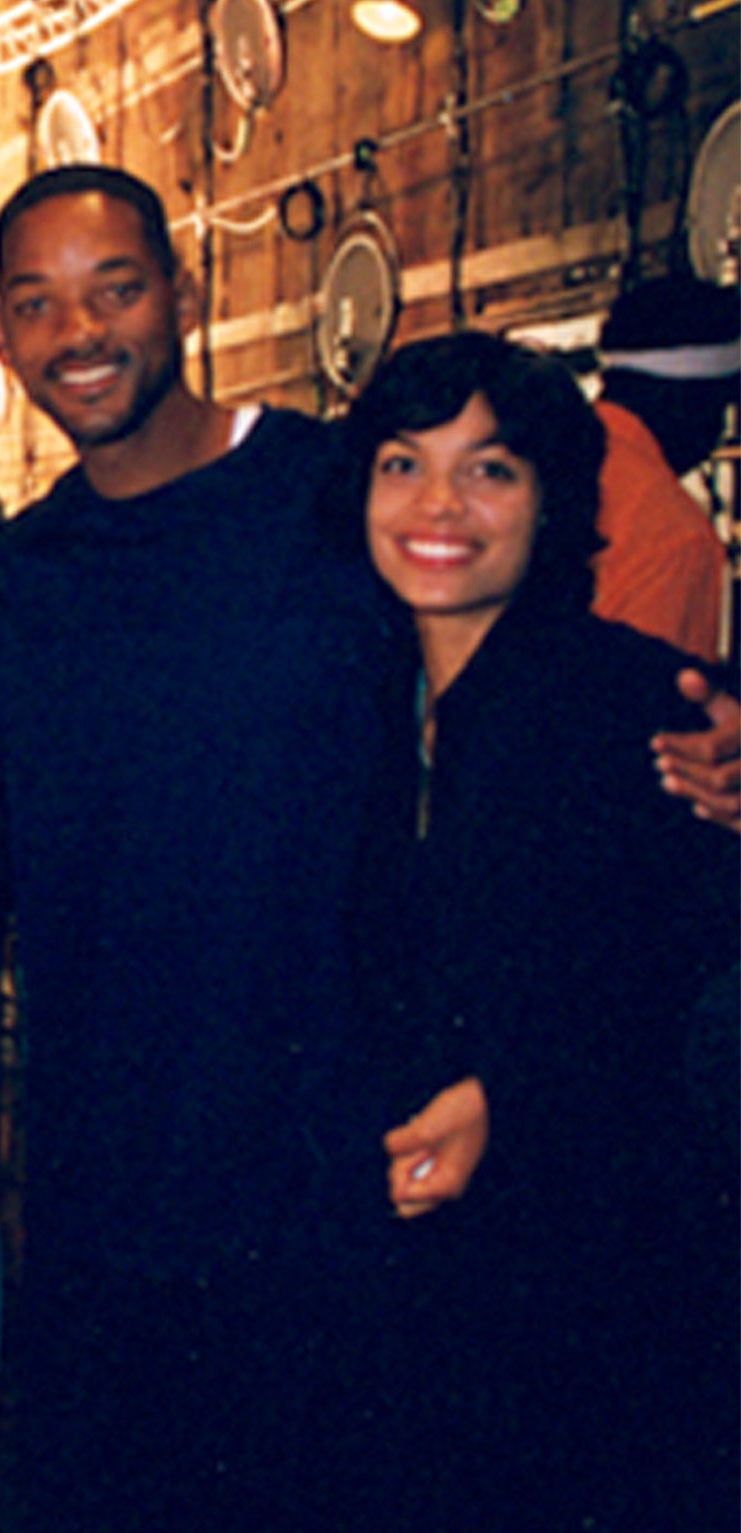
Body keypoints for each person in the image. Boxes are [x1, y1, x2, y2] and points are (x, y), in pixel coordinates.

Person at [0, 164, 741, 1531]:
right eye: (37, 303)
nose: (78, 332)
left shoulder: (331, 493)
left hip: (338, 1184)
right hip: (105, 1192)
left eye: (115, 289)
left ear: (182, 293)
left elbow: (552, 693)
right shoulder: (16, 576)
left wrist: (715, 726)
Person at [342, 331, 739, 1531]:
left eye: (489, 470)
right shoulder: (349, 700)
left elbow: (673, 996)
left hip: (587, 1274)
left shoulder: (637, 706)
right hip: (403, 1264)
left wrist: (510, 1100)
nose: (438, 506)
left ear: (550, 496)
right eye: (402, 464)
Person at [590, 273, 738, 663]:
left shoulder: (532, 458)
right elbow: (648, 693)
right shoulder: (674, 537)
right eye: (721, 408)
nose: (719, 431)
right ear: (692, 403)